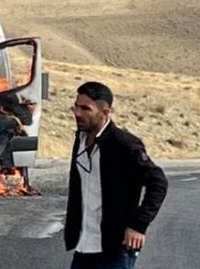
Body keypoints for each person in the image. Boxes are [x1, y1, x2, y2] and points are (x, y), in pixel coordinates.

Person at [66, 82, 168, 269]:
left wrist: (139, 225)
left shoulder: (124, 144)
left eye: (86, 108)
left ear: (106, 112)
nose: (77, 113)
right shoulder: (80, 140)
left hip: (115, 249)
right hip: (84, 245)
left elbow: (158, 182)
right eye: (76, 107)